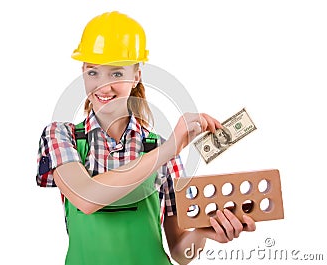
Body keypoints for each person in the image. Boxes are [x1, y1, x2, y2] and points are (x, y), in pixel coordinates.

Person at [36, 11, 256, 265]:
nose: (102, 87)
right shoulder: (61, 136)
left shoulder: (158, 147)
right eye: (93, 72)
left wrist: (202, 233)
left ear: (136, 75)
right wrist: (169, 150)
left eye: (116, 74)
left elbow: (179, 253)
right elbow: (87, 197)